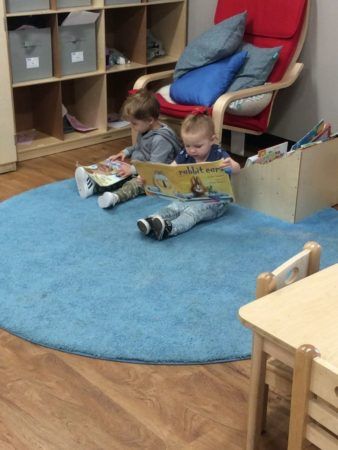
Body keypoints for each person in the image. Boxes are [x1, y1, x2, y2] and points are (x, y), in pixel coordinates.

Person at [137, 111, 241, 240]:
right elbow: (169, 171)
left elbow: (237, 168)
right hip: (190, 196)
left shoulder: (218, 153)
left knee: (192, 212)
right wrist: (148, 180)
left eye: (198, 146)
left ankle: (170, 228)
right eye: (187, 145)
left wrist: (230, 166)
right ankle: (151, 220)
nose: (192, 150)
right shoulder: (186, 154)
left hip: (215, 202)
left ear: (212, 140)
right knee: (174, 206)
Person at [74, 89, 181, 208]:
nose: (132, 126)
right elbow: (138, 147)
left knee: (135, 184)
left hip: (157, 178)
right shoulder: (146, 129)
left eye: (134, 123)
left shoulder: (161, 140)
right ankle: (93, 187)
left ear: (150, 120)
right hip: (139, 169)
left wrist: (133, 170)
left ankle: (115, 197)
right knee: (118, 175)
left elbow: (154, 167)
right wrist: (125, 152)